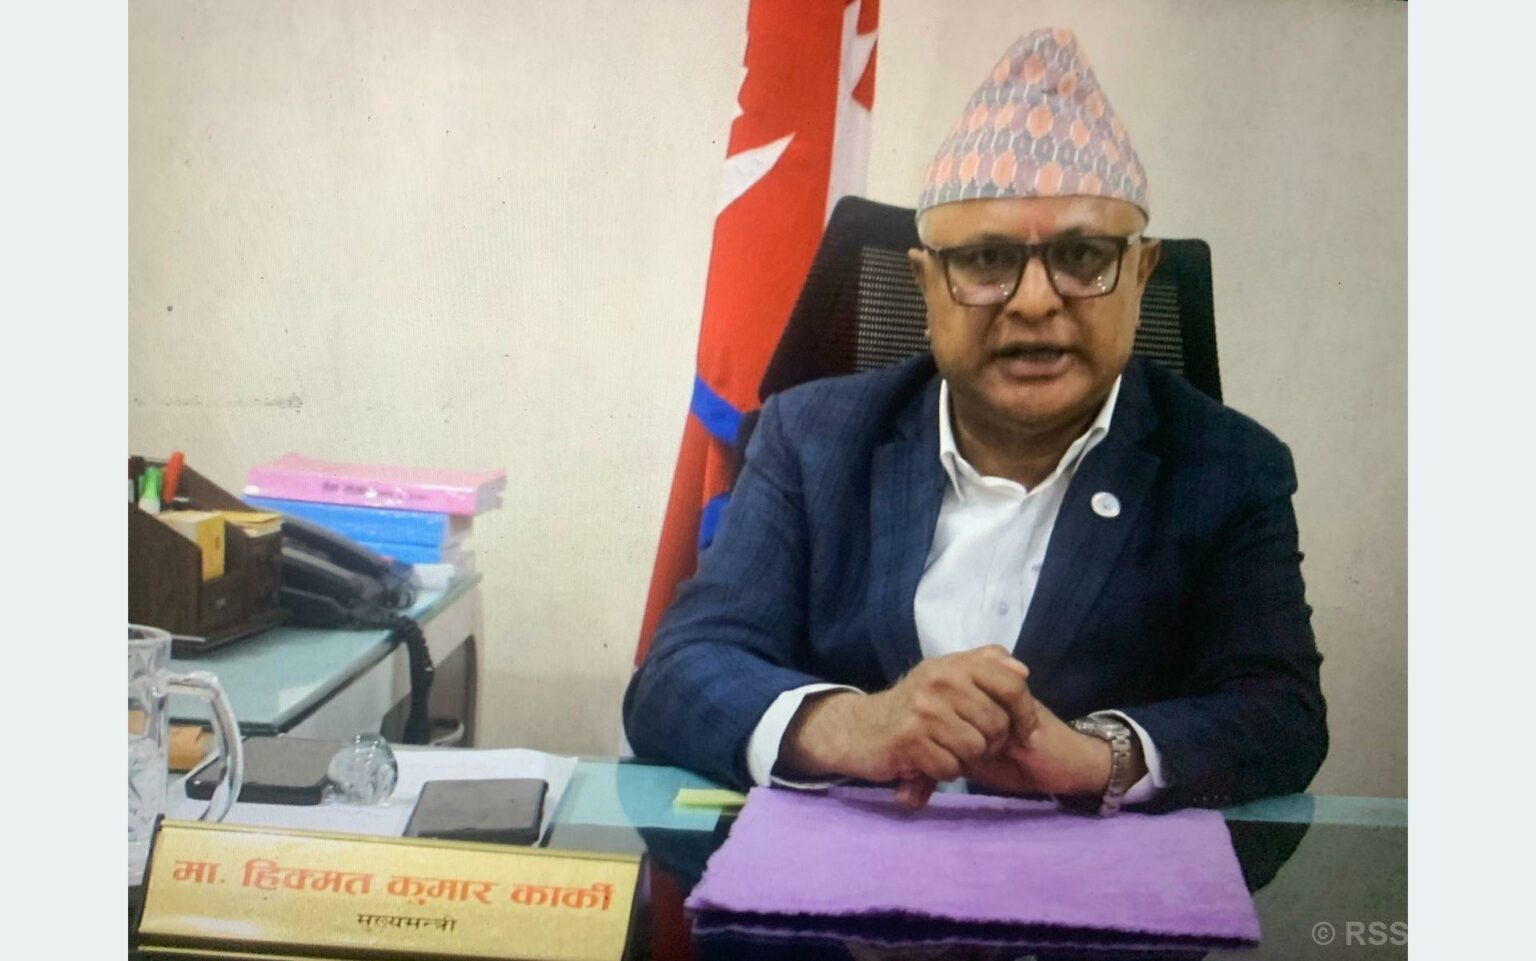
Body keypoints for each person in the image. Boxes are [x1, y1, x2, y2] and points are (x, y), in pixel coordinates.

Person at [624, 27, 1327, 815]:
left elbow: (1281, 712)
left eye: (1083, 256)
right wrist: (856, 726)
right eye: (988, 261)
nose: (1035, 302)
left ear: (1141, 273)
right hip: (846, 875)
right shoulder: (811, 436)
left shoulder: (1231, 465)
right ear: (926, 284)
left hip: (1092, 879)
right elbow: (679, 671)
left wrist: (1097, 755)